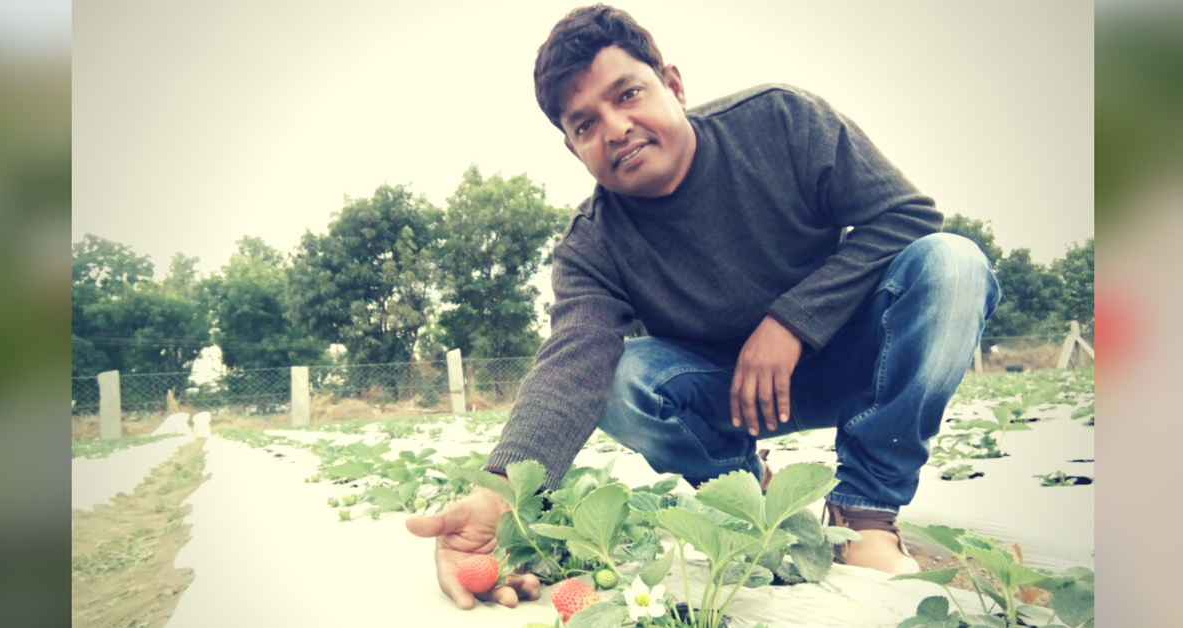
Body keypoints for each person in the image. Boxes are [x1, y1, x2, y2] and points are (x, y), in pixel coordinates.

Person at [407, 4, 1000, 608]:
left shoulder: (780, 119)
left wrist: (793, 320)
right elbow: (572, 362)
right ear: (573, 148)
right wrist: (498, 494)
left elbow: (907, 216)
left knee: (951, 263)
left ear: (674, 85)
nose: (615, 128)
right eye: (585, 125)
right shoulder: (592, 243)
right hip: (731, 398)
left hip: (856, 359)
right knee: (622, 376)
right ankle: (755, 502)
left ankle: (866, 513)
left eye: (629, 93)